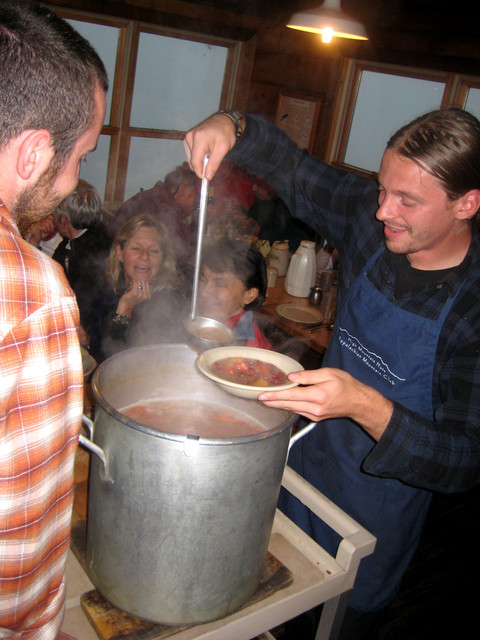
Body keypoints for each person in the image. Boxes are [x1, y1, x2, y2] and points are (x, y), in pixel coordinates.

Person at [184, 107, 480, 638]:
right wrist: (233, 126)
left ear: (468, 203)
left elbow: (464, 459)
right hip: (301, 469)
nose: (382, 210)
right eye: (382, 188)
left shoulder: (473, 309)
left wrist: (365, 404)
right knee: (256, 609)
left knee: (328, 623)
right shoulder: (373, 222)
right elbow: (294, 168)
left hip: (371, 515)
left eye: (407, 200)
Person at [0, 2, 108, 638]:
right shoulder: (32, 294)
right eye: (81, 156)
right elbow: (21, 551)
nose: (74, 180)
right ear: (36, 151)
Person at [90, 214, 187, 363]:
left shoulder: (174, 301)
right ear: (120, 253)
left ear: (163, 258)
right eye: (136, 248)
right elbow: (101, 359)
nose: (144, 257)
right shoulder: (105, 293)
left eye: (154, 251)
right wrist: (125, 309)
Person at [107, 163, 199, 278]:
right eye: (197, 194)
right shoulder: (165, 207)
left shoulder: (154, 197)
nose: (198, 201)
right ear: (182, 189)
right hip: (125, 273)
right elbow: (178, 252)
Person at [52, 179, 112, 347]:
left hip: (92, 338)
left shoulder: (93, 252)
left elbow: (84, 306)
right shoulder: (79, 241)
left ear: (64, 220)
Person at [198, 237, 272, 349]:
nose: (204, 292)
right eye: (203, 280)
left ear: (249, 296)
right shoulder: (220, 322)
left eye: (219, 284)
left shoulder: (245, 346)